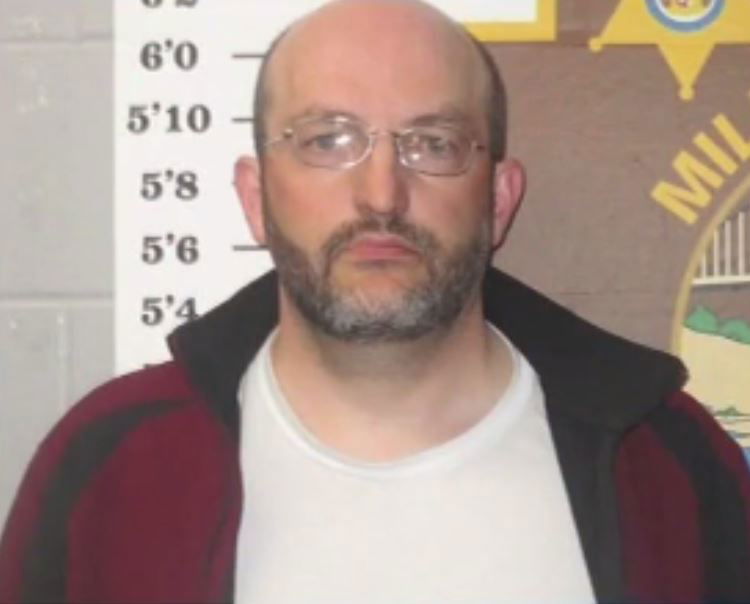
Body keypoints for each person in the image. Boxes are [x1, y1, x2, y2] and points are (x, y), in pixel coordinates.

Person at [1, 0, 749, 602]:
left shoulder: (668, 464)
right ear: (256, 198)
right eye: (328, 140)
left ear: (498, 199)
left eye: (433, 143)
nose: (383, 194)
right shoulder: (110, 470)